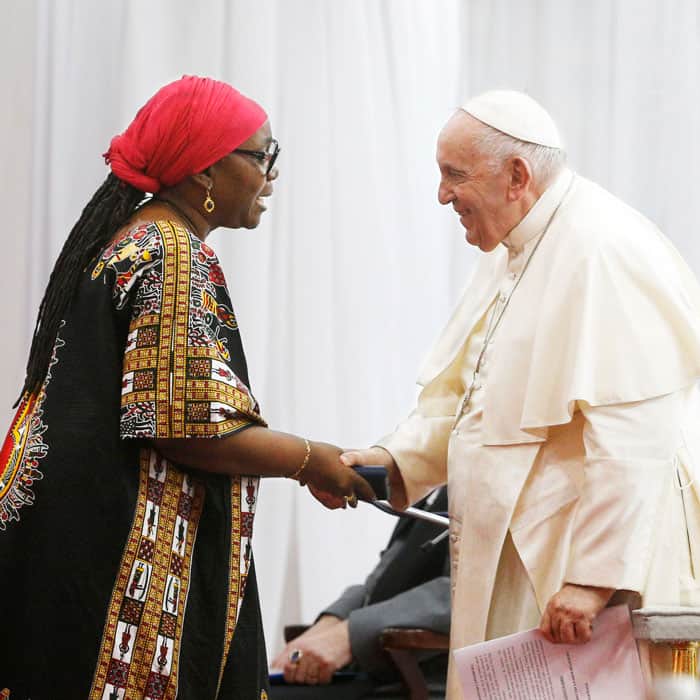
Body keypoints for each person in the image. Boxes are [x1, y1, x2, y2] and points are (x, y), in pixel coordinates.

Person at [0, 76, 373, 700]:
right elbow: (186, 426)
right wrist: (314, 460)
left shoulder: (134, 239)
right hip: (114, 557)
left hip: (66, 539)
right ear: (205, 170)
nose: (271, 176)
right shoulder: (172, 253)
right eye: (261, 156)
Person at [341, 90, 700, 697]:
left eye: (454, 175)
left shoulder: (602, 248)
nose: (442, 195)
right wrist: (390, 462)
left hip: (576, 564)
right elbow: (472, 402)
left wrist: (592, 578)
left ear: (516, 175)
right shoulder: (514, 249)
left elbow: (636, 435)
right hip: (524, 559)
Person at [269, 486, 450, 699]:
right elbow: (378, 582)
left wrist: (348, 635)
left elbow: (468, 594)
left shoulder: (485, 484)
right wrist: (330, 622)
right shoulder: (431, 494)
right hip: (371, 671)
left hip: (424, 681)